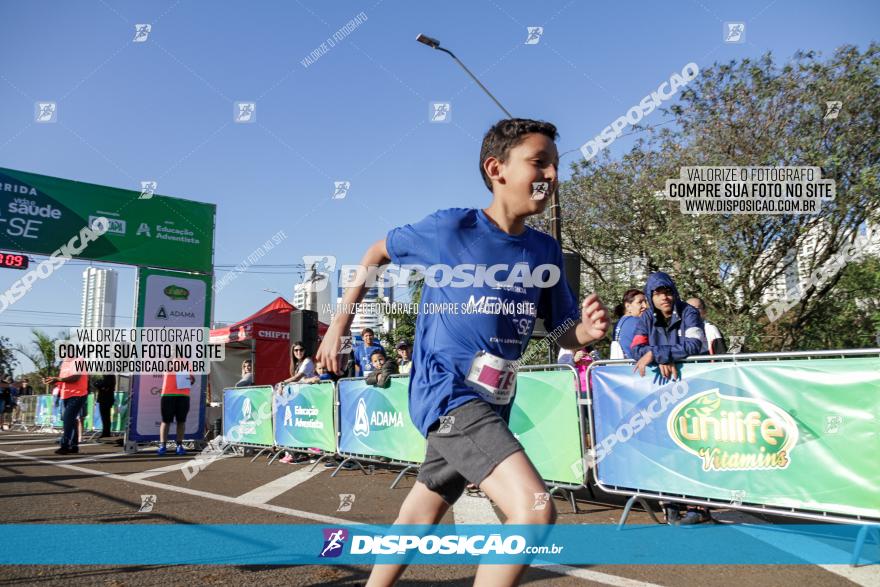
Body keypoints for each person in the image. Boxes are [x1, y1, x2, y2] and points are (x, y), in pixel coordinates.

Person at [315, 118, 609, 586]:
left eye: (555, 165)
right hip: (447, 392)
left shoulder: (544, 252)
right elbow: (374, 253)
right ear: (497, 168)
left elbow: (561, 333)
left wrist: (585, 334)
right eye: (539, 163)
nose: (552, 175)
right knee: (534, 511)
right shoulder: (452, 228)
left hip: (493, 400)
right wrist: (337, 328)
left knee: (422, 508)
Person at [630, 272, 709, 525]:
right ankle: (671, 505)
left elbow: (695, 345)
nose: (664, 297)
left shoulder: (689, 312)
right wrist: (661, 355)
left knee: (693, 445)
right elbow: (635, 349)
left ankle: (699, 508)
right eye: (658, 293)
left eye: (668, 291)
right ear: (651, 296)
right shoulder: (644, 318)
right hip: (661, 390)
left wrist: (659, 355)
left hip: (692, 389)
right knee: (664, 446)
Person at [43, 358, 89, 455]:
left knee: (68, 419)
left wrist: (58, 379)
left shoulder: (79, 360)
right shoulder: (64, 363)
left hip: (78, 394)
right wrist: (52, 381)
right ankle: (74, 445)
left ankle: (65, 446)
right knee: (70, 420)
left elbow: (76, 377)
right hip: (65, 395)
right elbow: (62, 380)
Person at [158, 370, 195, 455]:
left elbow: (192, 379)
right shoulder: (167, 360)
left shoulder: (187, 363)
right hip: (167, 395)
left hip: (183, 395)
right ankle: (163, 446)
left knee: (181, 421)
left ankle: (179, 445)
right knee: (165, 421)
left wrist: (191, 379)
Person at [610, 288, 648, 359]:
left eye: (645, 302)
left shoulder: (618, 323)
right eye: (640, 302)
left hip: (620, 367)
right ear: (628, 306)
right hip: (635, 367)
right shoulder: (638, 322)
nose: (645, 306)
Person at [93, 374, 116, 438]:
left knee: (106, 416)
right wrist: (100, 385)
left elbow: (106, 384)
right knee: (104, 417)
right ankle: (105, 432)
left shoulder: (110, 375)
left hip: (106, 398)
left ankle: (106, 432)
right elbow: (97, 383)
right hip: (104, 398)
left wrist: (100, 385)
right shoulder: (107, 375)